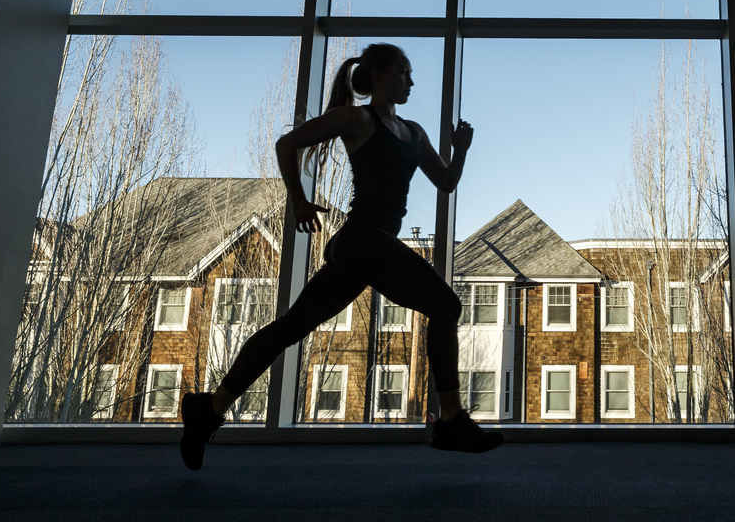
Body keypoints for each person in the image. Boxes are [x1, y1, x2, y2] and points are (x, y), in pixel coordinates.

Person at [179, 43, 503, 470]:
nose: (411, 81)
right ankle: (451, 420)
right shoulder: (358, 118)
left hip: (369, 246)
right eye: (405, 72)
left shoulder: (414, 131)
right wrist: (298, 200)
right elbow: (287, 144)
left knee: (292, 327)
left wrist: (460, 149)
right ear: (381, 75)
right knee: (445, 305)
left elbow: (444, 181)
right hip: (364, 240)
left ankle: (210, 409)